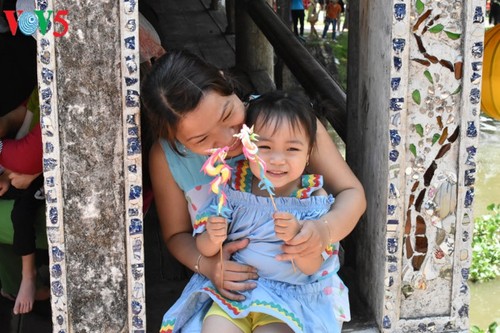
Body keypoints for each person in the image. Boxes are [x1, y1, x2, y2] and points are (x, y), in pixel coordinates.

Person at [141, 50, 366, 331]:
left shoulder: (286, 120)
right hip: (229, 289)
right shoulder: (166, 158)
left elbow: (351, 193)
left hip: (297, 283)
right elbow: (176, 236)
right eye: (201, 139)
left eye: (227, 115)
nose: (228, 139)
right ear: (174, 139)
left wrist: (324, 231)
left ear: (227, 82)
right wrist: (209, 266)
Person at [164, 90, 349, 333]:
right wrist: (213, 237)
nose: (277, 159)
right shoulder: (232, 188)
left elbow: (312, 267)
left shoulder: (312, 199)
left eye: (292, 149)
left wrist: (298, 238)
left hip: (288, 296)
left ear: (308, 155)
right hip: (234, 294)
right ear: (248, 146)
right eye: (264, 147)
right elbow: (206, 248)